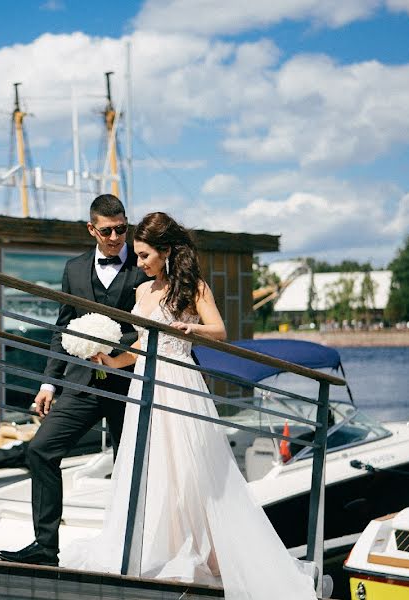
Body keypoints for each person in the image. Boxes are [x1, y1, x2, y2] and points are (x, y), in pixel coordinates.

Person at [59, 212, 317, 599]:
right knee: (148, 466)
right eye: (138, 255)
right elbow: (139, 346)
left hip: (178, 382)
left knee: (190, 470)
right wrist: (110, 360)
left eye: (145, 255)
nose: (140, 262)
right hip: (144, 386)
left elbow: (220, 331)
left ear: (165, 252)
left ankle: (205, 551)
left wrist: (191, 328)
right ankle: (154, 549)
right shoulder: (142, 292)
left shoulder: (192, 288)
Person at [0, 194, 152, 567]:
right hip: (82, 384)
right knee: (40, 450)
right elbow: (62, 327)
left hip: (129, 384)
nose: (116, 238)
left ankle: (140, 549)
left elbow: (153, 327)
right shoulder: (75, 268)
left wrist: (114, 348)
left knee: (132, 466)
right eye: (107, 231)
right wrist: (49, 383)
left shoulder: (145, 268)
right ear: (91, 229)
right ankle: (45, 547)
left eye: (121, 229)